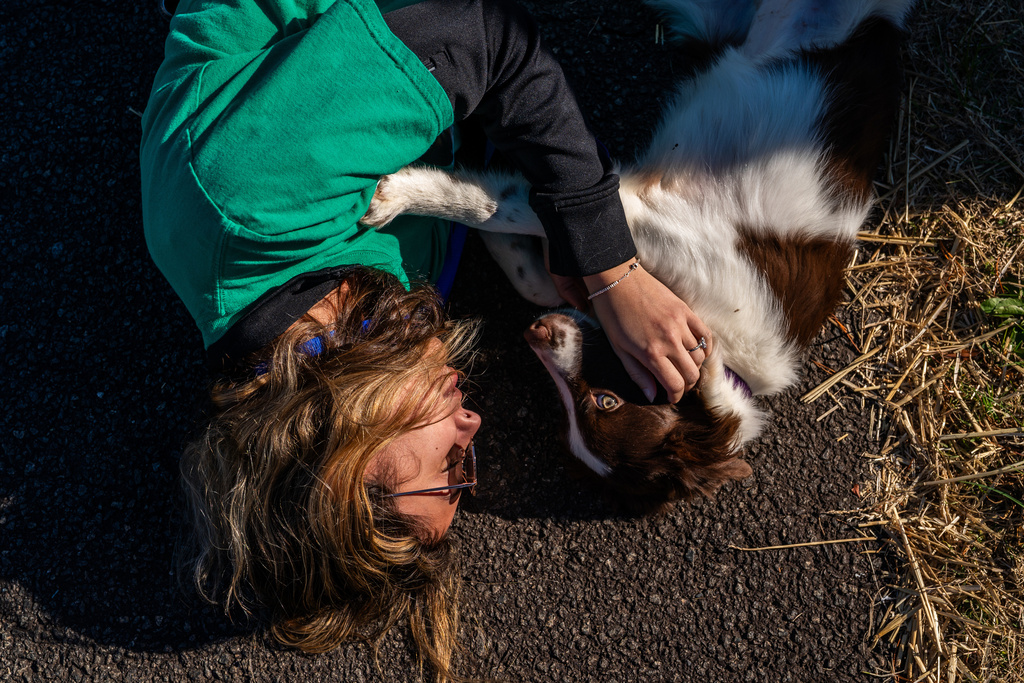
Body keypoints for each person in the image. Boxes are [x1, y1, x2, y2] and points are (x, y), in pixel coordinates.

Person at [140, 0, 712, 679]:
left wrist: (611, 263)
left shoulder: (252, 202)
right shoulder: (359, 328)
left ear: (347, 450)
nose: (474, 423)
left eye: (450, 469)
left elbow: (483, 35)